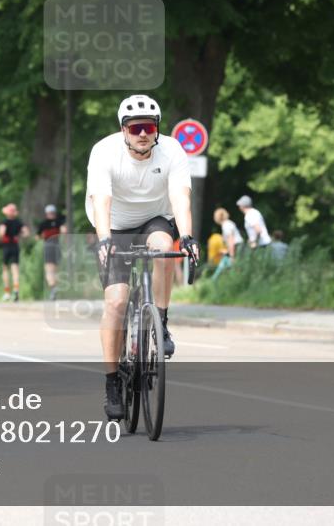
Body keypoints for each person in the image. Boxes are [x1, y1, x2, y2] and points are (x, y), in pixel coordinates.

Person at [86, 94, 199, 420]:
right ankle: (111, 382)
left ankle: (160, 324)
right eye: (135, 128)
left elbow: (180, 197)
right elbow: (102, 201)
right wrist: (106, 241)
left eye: (149, 127)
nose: (142, 134)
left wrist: (188, 237)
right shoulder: (104, 152)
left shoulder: (173, 150)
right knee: (117, 303)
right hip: (115, 225)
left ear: (157, 129)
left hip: (154, 218)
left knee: (165, 247)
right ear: (123, 130)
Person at [0, 203, 29, 301]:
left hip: (7, 246)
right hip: (15, 246)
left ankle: (7, 291)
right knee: (15, 269)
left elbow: (1, 233)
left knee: (5, 269)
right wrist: (19, 235)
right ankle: (16, 290)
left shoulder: (4, 222)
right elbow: (26, 233)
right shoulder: (18, 222)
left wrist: (1, 239)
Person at [37, 204, 67, 300]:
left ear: (46, 214)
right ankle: (56, 288)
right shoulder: (59, 222)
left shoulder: (43, 223)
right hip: (57, 245)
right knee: (57, 269)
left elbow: (38, 237)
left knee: (49, 269)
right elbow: (64, 231)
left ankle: (53, 288)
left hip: (48, 245)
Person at [212, 207, 244, 279]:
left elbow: (231, 240)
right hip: (237, 246)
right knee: (227, 263)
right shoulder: (228, 223)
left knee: (235, 265)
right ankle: (214, 280)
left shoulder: (226, 225)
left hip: (236, 246)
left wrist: (232, 255)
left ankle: (237, 280)